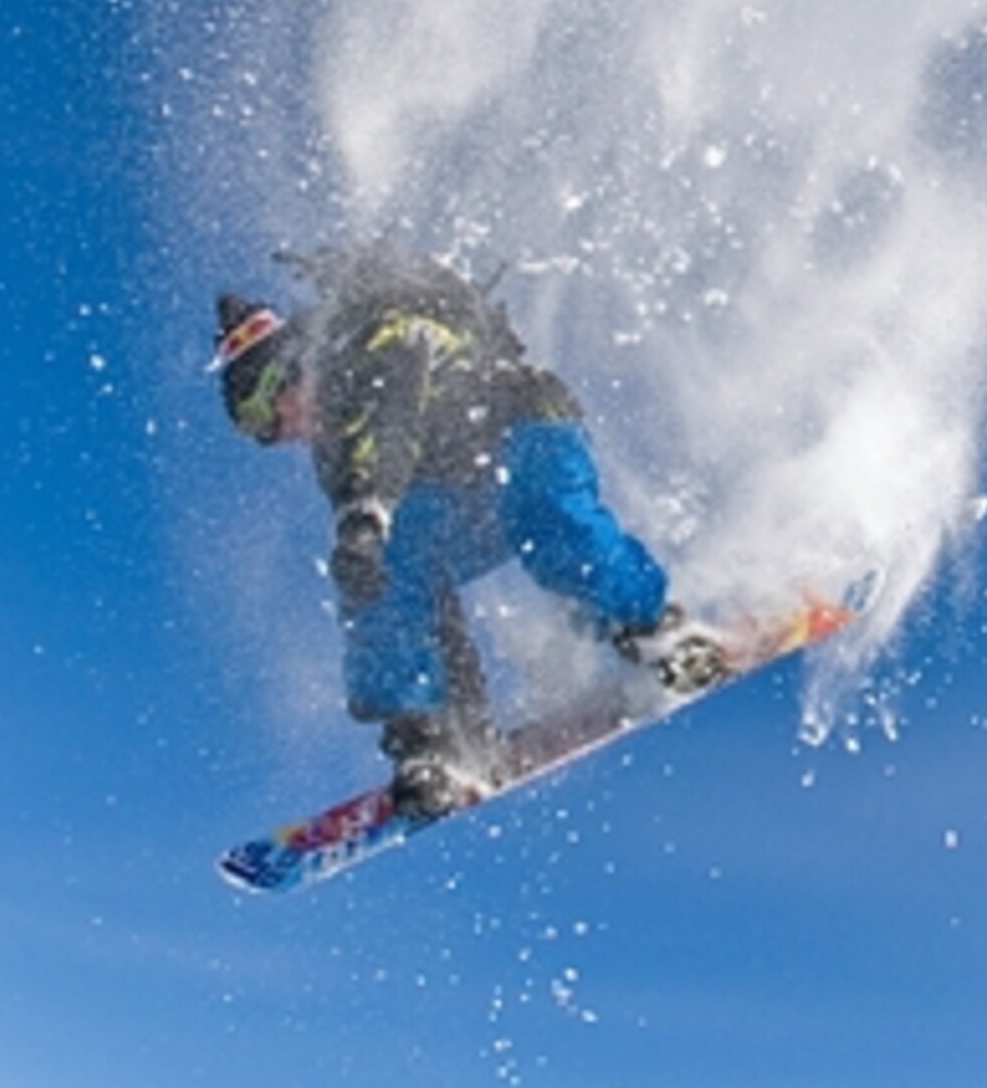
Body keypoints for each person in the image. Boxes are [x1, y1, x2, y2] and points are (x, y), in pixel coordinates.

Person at [212, 247, 712, 816]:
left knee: (550, 522)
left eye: (265, 415)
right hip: (456, 497)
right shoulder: (334, 454)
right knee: (381, 574)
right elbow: (394, 569)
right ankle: (440, 740)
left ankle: (653, 631)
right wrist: (365, 535)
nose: (278, 434)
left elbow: (392, 414)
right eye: (257, 434)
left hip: (518, 430)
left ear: (290, 370)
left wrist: (366, 513)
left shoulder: (371, 341)